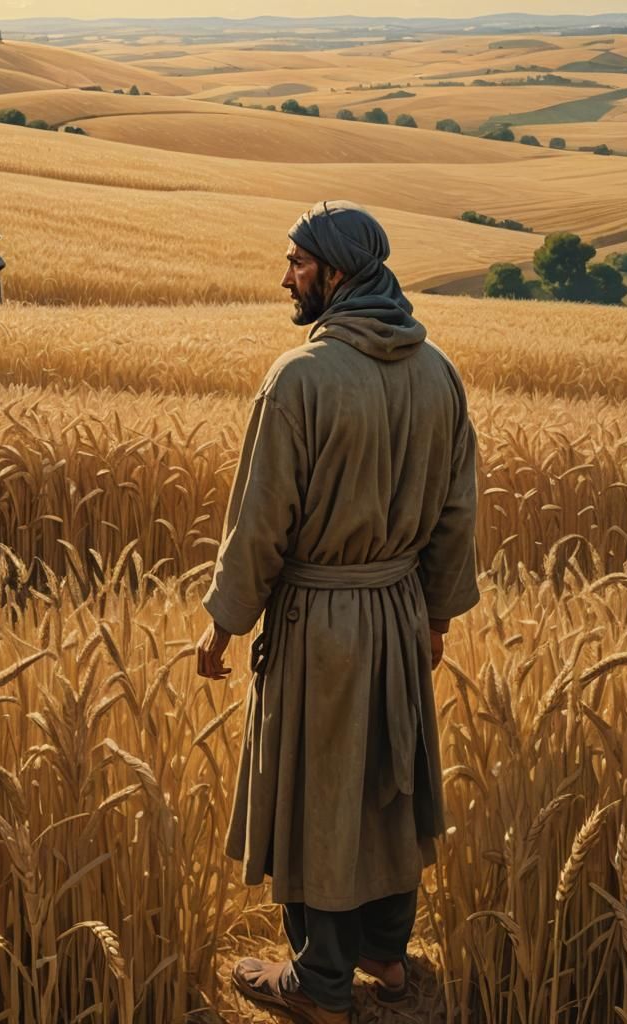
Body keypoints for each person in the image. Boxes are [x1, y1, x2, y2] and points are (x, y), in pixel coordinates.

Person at [196, 200, 480, 1024]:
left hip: (321, 619)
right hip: (395, 611)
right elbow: (459, 513)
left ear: (338, 271)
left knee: (318, 790)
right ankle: (388, 960)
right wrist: (435, 616)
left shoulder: (302, 377)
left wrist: (225, 618)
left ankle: (319, 982)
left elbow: (261, 521)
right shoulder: (439, 372)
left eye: (297, 262)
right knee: (389, 787)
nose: (286, 276)